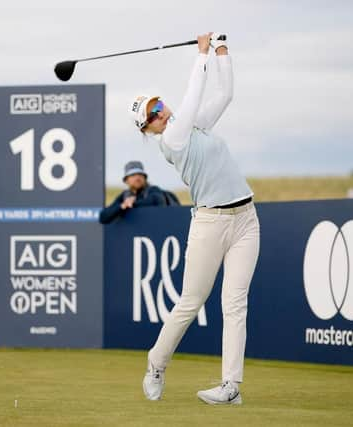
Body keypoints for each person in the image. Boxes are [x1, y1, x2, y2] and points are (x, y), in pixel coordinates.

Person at [129, 32, 260, 405]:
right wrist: (201, 53)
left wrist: (221, 51)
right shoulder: (172, 140)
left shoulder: (194, 126)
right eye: (151, 115)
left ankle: (230, 386)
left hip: (246, 218)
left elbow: (224, 95)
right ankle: (156, 364)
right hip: (210, 223)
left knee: (235, 303)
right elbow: (193, 96)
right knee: (191, 301)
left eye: (158, 105)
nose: (160, 112)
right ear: (147, 129)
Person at [99, 160, 167, 224]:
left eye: (140, 175)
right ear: (126, 180)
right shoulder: (124, 196)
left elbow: (156, 200)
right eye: (133, 175)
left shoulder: (153, 190)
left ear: (145, 178)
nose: (137, 178)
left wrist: (132, 204)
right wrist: (122, 206)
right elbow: (103, 217)